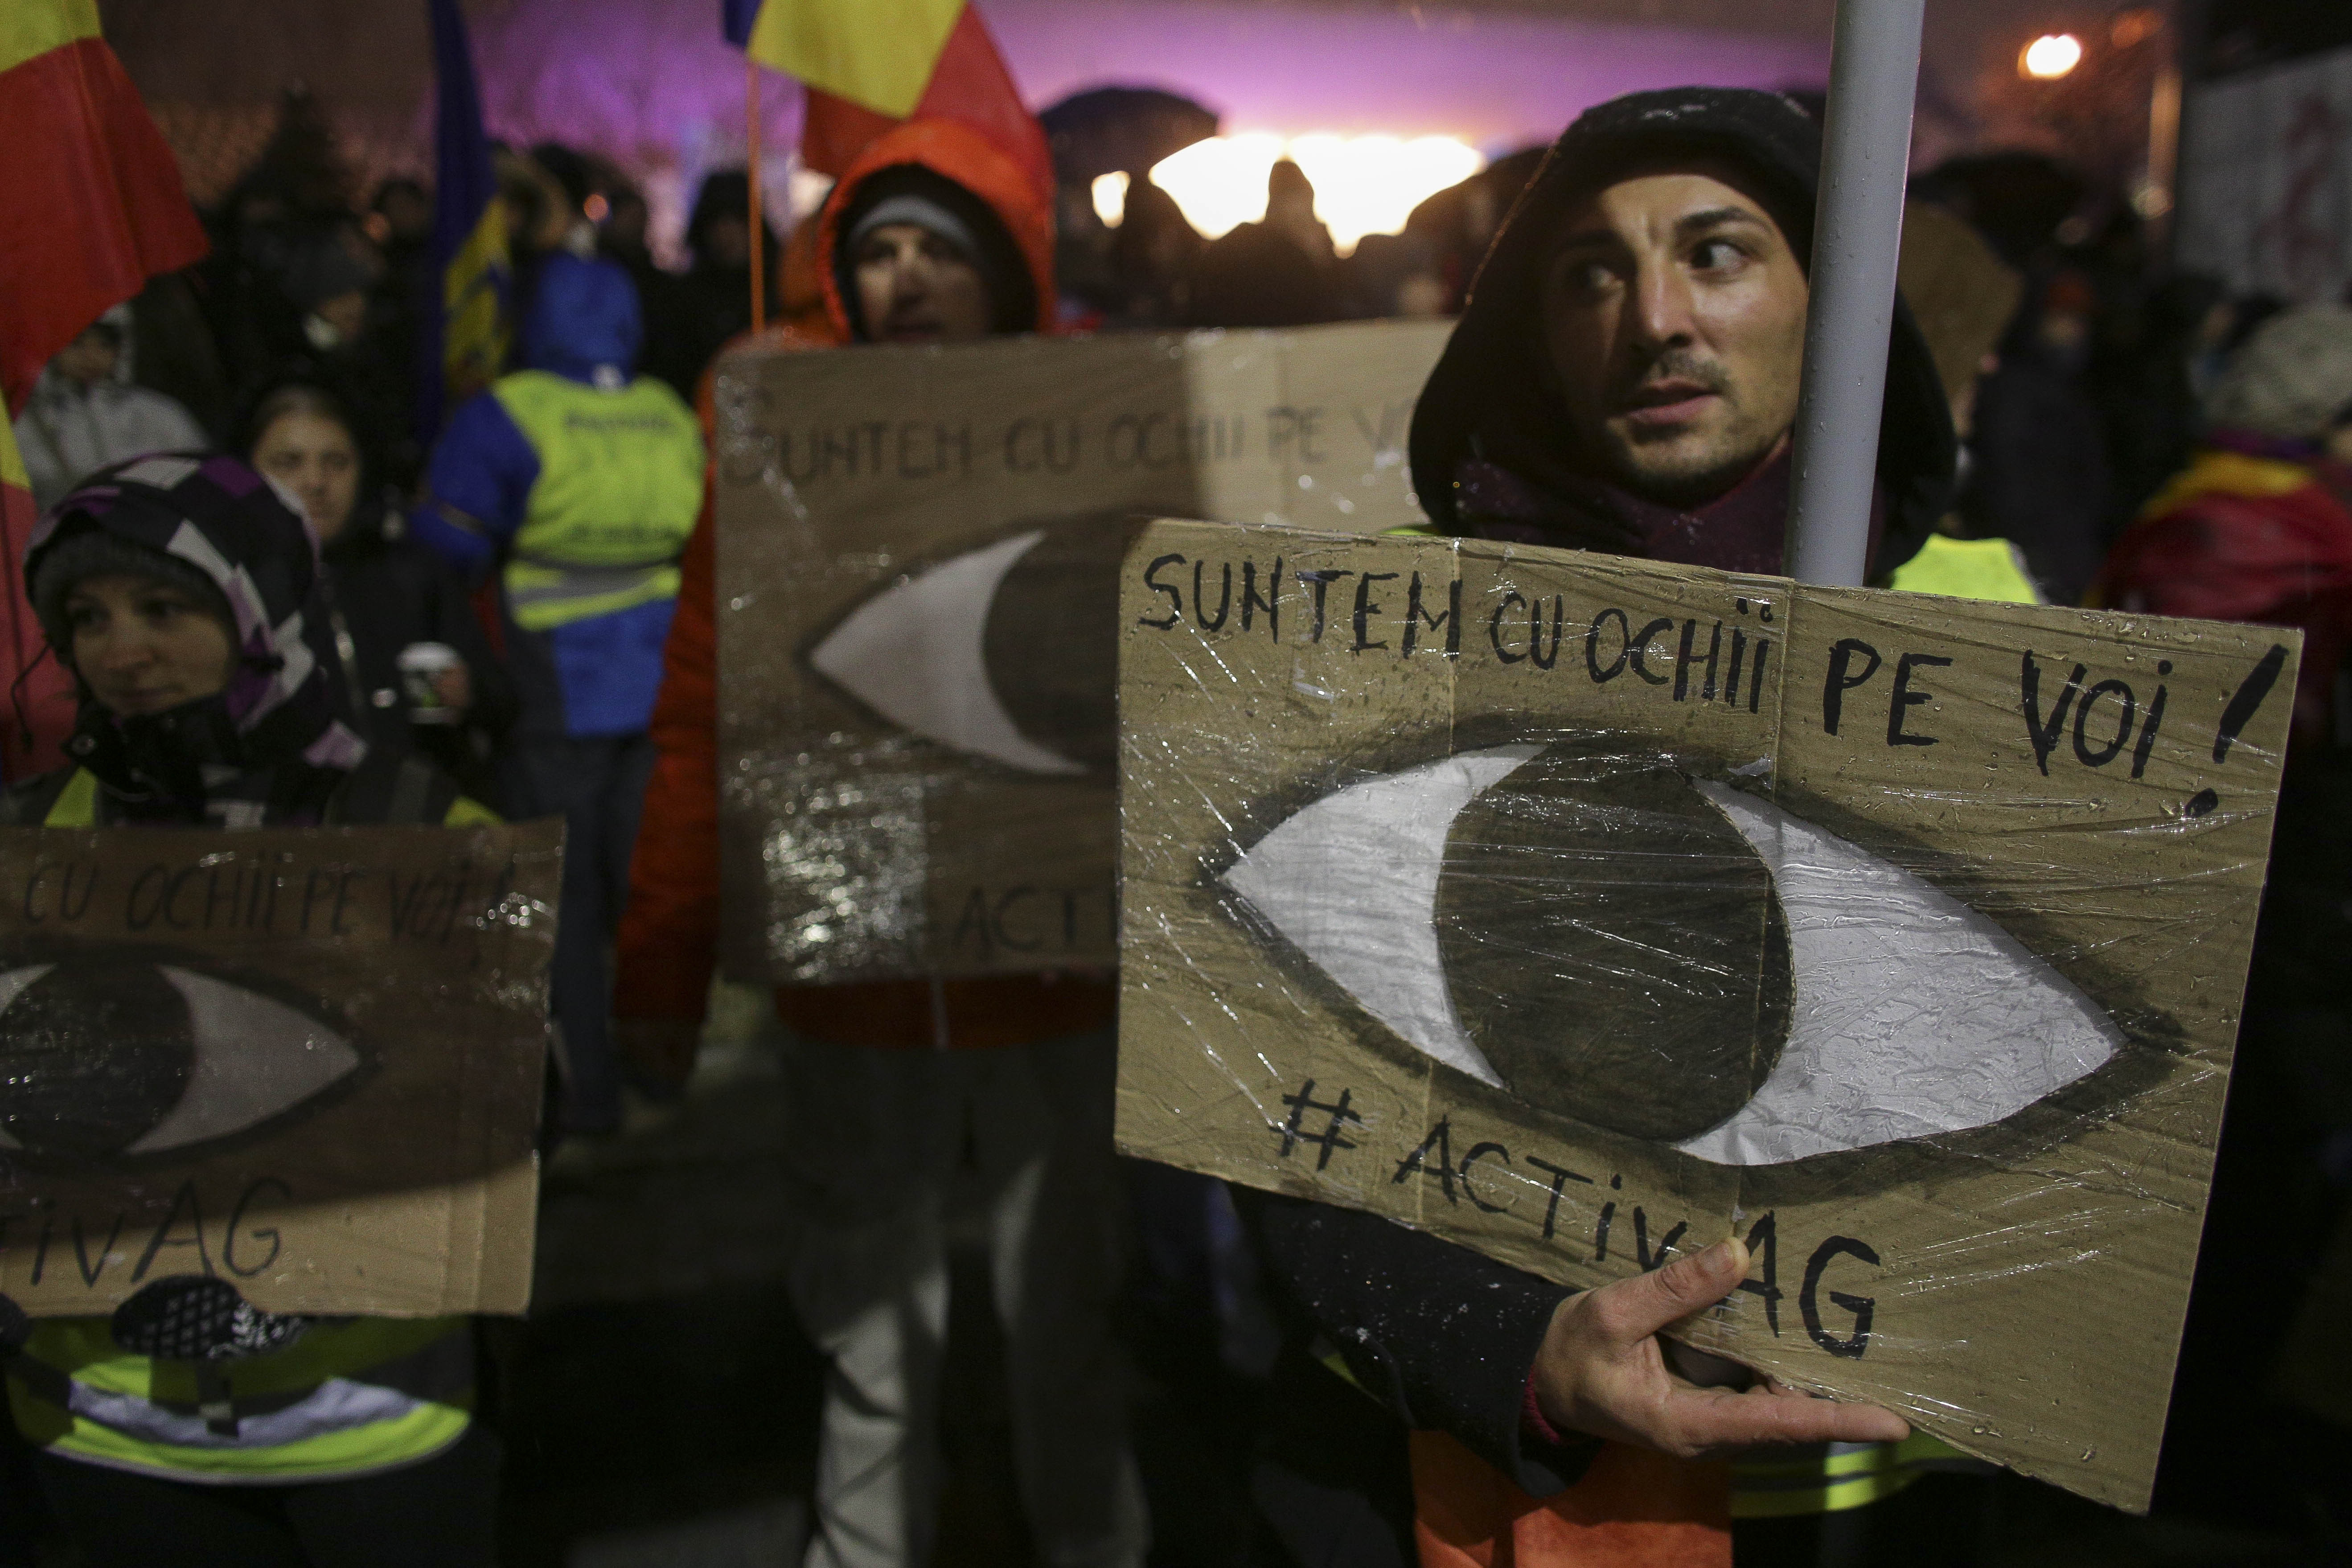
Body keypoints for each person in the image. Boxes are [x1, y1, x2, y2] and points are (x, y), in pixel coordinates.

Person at [1238, 88, 1960, 1568]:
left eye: (1716, 252)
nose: (1652, 320)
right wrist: (1505, 1345)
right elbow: (1254, 1083)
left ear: (1831, 302)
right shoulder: (1382, 622)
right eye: (1588, 273)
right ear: (1528, 329)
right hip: (1441, 1478)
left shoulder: (1995, 635)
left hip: (1845, 1511)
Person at [613, 118, 1146, 1568]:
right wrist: (658, 966)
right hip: (858, 974)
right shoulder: (782, 462)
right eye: (879, 248)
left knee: (1065, 1312)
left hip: (1061, 972)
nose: (908, 273)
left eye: (943, 248)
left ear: (1009, 274)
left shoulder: (1111, 434)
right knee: (868, 1326)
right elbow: (698, 712)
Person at [0, 453, 500, 1568]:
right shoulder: (30, 841)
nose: (121, 650)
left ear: (258, 606)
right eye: (84, 616)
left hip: (369, 1415)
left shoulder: (413, 825)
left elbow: (517, 1114)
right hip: (110, 1426)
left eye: (165, 607)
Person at [2091, 304, 2352, 1531]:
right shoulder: (2274, 533)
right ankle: (2182, 1450)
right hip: (2248, 912)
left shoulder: (2195, 503)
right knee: (2239, 1186)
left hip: (2220, 901)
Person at [416, 251, 705, 1136]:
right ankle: (671, 1082)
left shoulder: (507, 414)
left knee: (568, 908)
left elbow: (446, 544)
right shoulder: (668, 410)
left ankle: (591, 1102)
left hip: (556, 698)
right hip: (667, 692)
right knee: (654, 896)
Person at [246, 382, 514, 805]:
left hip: (419, 821)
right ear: (248, 474)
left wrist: (469, 693)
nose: (316, 482)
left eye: (337, 462)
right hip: (293, 832)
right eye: (289, 462)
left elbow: (500, 700)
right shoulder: (230, 591)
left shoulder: (413, 572)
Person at [12, 309, 210, 513]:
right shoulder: (23, 420)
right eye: (76, 343)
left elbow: (202, 477)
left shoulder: (156, 414)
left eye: (104, 345)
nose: (91, 356)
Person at [644, 170, 781, 399]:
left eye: (738, 220)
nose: (727, 233)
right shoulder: (683, 300)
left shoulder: (780, 289)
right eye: (717, 223)